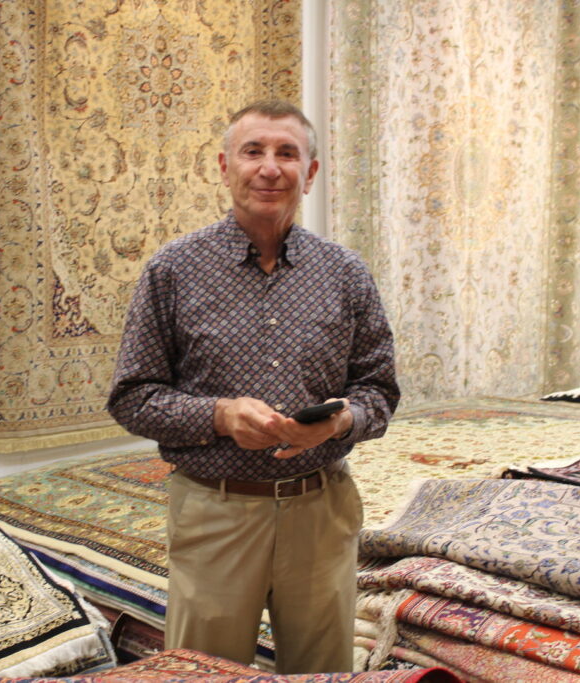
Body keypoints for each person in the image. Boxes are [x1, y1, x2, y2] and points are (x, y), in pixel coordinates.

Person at [106, 99, 400, 674]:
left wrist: (342, 421)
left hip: (322, 509)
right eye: (253, 151)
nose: (270, 167)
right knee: (203, 671)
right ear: (224, 166)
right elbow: (132, 396)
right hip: (217, 510)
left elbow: (379, 389)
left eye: (287, 153)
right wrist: (219, 416)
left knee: (324, 670)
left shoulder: (345, 273)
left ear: (310, 173)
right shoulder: (174, 270)